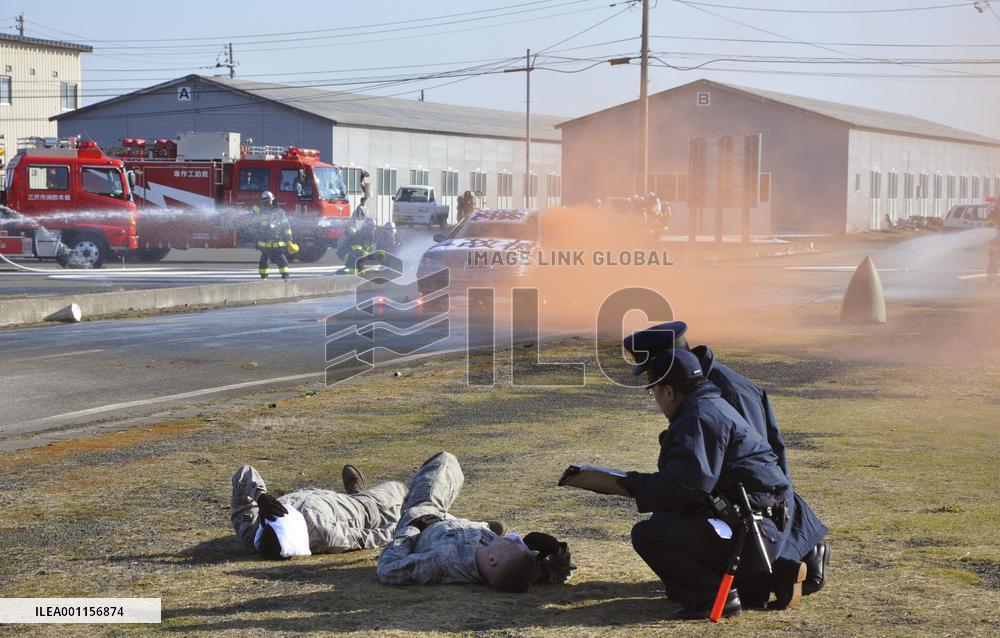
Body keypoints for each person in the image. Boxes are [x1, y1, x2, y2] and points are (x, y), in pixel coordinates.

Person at [623, 322, 830, 603]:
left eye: (652, 373)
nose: (652, 385)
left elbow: (759, 468)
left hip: (759, 509)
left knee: (663, 529)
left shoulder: (728, 393)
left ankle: (788, 561)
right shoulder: (699, 390)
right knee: (668, 518)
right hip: (735, 499)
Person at [377, 451, 575, 591]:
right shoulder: (514, 567)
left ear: (492, 560)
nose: (515, 539)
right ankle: (486, 527)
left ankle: (389, 504)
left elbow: (389, 570)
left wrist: (413, 528)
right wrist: (559, 551)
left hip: (426, 519)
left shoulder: (444, 561)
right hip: (457, 526)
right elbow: (560, 576)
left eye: (511, 542)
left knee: (445, 461)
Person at [231, 463, 406, 559]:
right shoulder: (324, 535)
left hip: (316, 494)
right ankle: (358, 494)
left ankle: (355, 491)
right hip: (363, 509)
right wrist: (403, 528)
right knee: (400, 489)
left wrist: (261, 495)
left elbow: (244, 473)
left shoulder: (252, 531)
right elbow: (366, 537)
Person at [254, 191, 294, 280]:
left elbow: (286, 225)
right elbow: (252, 210)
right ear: (263, 201)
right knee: (264, 259)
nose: (268, 202)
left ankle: (285, 274)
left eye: (269, 200)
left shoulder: (279, 211)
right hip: (265, 240)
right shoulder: (259, 210)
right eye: (266, 200)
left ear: (273, 199)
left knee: (281, 258)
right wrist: (259, 206)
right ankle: (263, 275)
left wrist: (289, 237)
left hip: (277, 239)